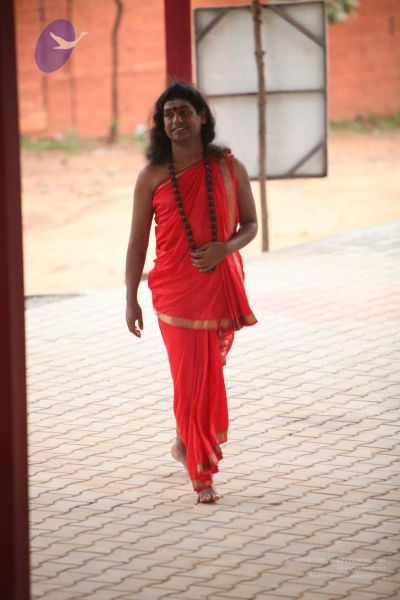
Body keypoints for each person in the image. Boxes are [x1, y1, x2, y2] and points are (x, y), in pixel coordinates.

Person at [125, 80, 258, 505]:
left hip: (218, 286)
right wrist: (130, 298)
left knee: (206, 375)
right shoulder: (151, 176)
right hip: (174, 292)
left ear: (202, 117)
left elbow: (251, 225)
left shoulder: (229, 168)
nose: (176, 120)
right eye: (168, 114)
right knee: (190, 381)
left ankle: (186, 442)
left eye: (184, 111)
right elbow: (137, 243)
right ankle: (202, 474)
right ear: (161, 125)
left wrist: (225, 248)